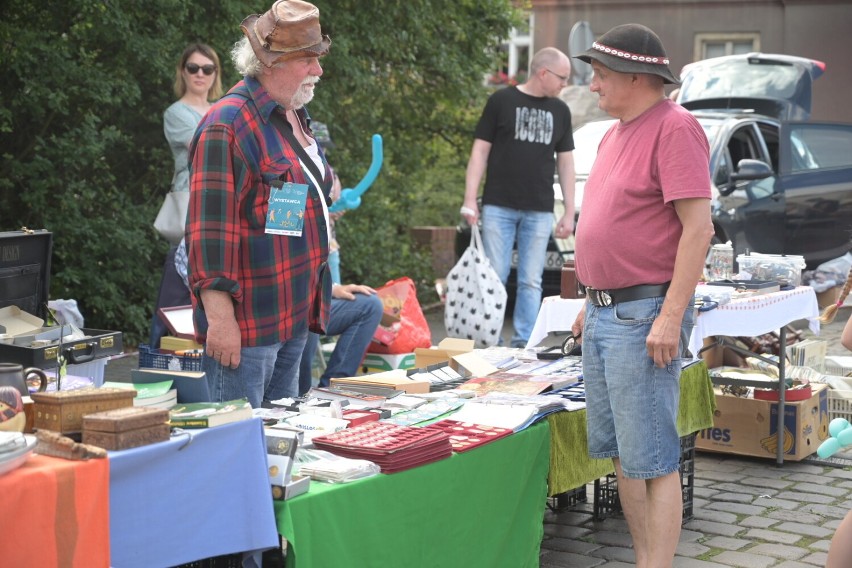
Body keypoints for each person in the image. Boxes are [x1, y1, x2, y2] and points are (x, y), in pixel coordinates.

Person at [568, 24, 714, 567]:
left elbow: (698, 229)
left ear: (637, 76)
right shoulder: (612, 133)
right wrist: (590, 300)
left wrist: (670, 316)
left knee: (652, 459)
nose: (593, 83)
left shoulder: (674, 128)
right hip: (607, 312)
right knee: (623, 458)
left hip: (645, 314)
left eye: (601, 74)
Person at [185, 0, 333, 407]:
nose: (318, 70)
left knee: (277, 451)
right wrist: (220, 323)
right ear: (271, 63)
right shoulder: (226, 125)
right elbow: (207, 237)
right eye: (309, 60)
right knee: (237, 450)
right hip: (247, 334)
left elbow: (292, 199)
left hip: (293, 318)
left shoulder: (291, 115)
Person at [461, 47, 576, 348]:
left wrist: (569, 211)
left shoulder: (560, 111)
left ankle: (525, 341)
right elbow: (480, 152)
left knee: (531, 280)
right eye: (562, 78)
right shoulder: (501, 101)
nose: (565, 84)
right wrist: (470, 199)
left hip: (539, 208)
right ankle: (492, 340)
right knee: (495, 277)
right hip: (499, 204)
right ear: (543, 73)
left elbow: (566, 162)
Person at [149, 43, 223, 349]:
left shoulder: (220, 109)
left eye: (207, 68)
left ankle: (201, 353)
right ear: (183, 71)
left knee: (209, 289)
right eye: (193, 68)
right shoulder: (176, 113)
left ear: (216, 74)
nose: (200, 74)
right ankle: (154, 352)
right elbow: (207, 144)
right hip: (190, 209)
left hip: (218, 210)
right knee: (175, 288)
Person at [297, 282, 384, 395]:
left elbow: (313, 272)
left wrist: (332, 288)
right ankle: (296, 396)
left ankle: (332, 391)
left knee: (371, 304)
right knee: (309, 315)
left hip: (312, 297)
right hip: (283, 306)